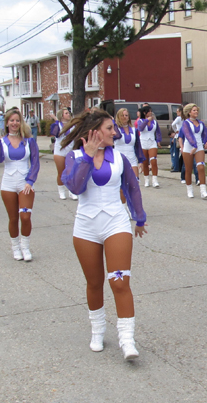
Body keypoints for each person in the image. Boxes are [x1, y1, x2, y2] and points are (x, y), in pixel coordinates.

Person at [60, 109, 147, 361]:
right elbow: (75, 187)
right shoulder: (75, 156)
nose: (114, 132)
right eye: (109, 128)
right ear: (95, 131)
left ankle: (127, 339)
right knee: (95, 283)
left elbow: (132, 187)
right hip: (86, 228)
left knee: (119, 281)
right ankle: (97, 330)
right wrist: (87, 157)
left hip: (115, 224)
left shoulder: (119, 158)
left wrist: (139, 218)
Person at [0, 107, 40, 262]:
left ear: (21, 122)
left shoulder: (29, 141)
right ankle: (15, 247)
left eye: (17, 120)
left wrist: (30, 181)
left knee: (25, 216)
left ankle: (25, 247)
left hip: (25, 184)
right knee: (13, 218)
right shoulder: (2, 141)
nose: (14, 123)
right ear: (6, 123)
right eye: (11, 120)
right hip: (8, 183)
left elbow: (35, 163)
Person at [178, 103, 207, 199]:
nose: (196, 112)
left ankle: (203, 191)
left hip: (199, 147)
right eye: (194, 110)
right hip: (189, 147)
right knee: (188, 170)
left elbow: (205, 134)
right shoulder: (186, 123)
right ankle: (189, 189)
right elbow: (188, 136)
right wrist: (193, 145)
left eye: (197, 110)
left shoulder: (201, 123)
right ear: (189, 112)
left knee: (201, 167)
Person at [50, 108, 77, 200]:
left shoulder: (73, 125)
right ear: (62, 116)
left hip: (70, 151)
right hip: (59, 152)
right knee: (61, 172)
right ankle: (61, 191)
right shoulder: (57, 125)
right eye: (66, 113)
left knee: (71, 172)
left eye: (68, 113)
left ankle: (71, 191)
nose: (68, 114)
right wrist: (57, 121)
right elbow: (55, 134)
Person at [113, 108, 143, 178]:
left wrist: (140, 161)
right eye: (122, 115)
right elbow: (117, 136)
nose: (124, 117)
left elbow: (138, 146)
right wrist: (113, 123)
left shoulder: (134, 130)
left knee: (135, 180)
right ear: (118, 117)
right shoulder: (115, 130)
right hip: (119, 159)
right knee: (120, 182)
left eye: (126, 115)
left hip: (132, 158)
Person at [137, 105, 162, 188]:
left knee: (153, 161)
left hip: (152, 142)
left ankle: (155, 180)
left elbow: (158, 131)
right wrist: (147, 120)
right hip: (143, 143)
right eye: (149, 111)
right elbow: (140, 128)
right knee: (145, 162)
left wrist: (158, 141)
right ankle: (146, 179)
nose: (151, 112)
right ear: (145, 113)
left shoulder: (154, 122)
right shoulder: (140, 121)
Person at [170, 106, 184, 172]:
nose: (176, 112)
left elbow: (173, 124)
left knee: (176, 153)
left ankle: (176, 167)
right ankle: (182, 166)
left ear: (180, 112)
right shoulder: (184, 118)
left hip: (178, 136)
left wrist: (176, 130)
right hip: (183, 136)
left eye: (178, 111)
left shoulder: (178, 118)